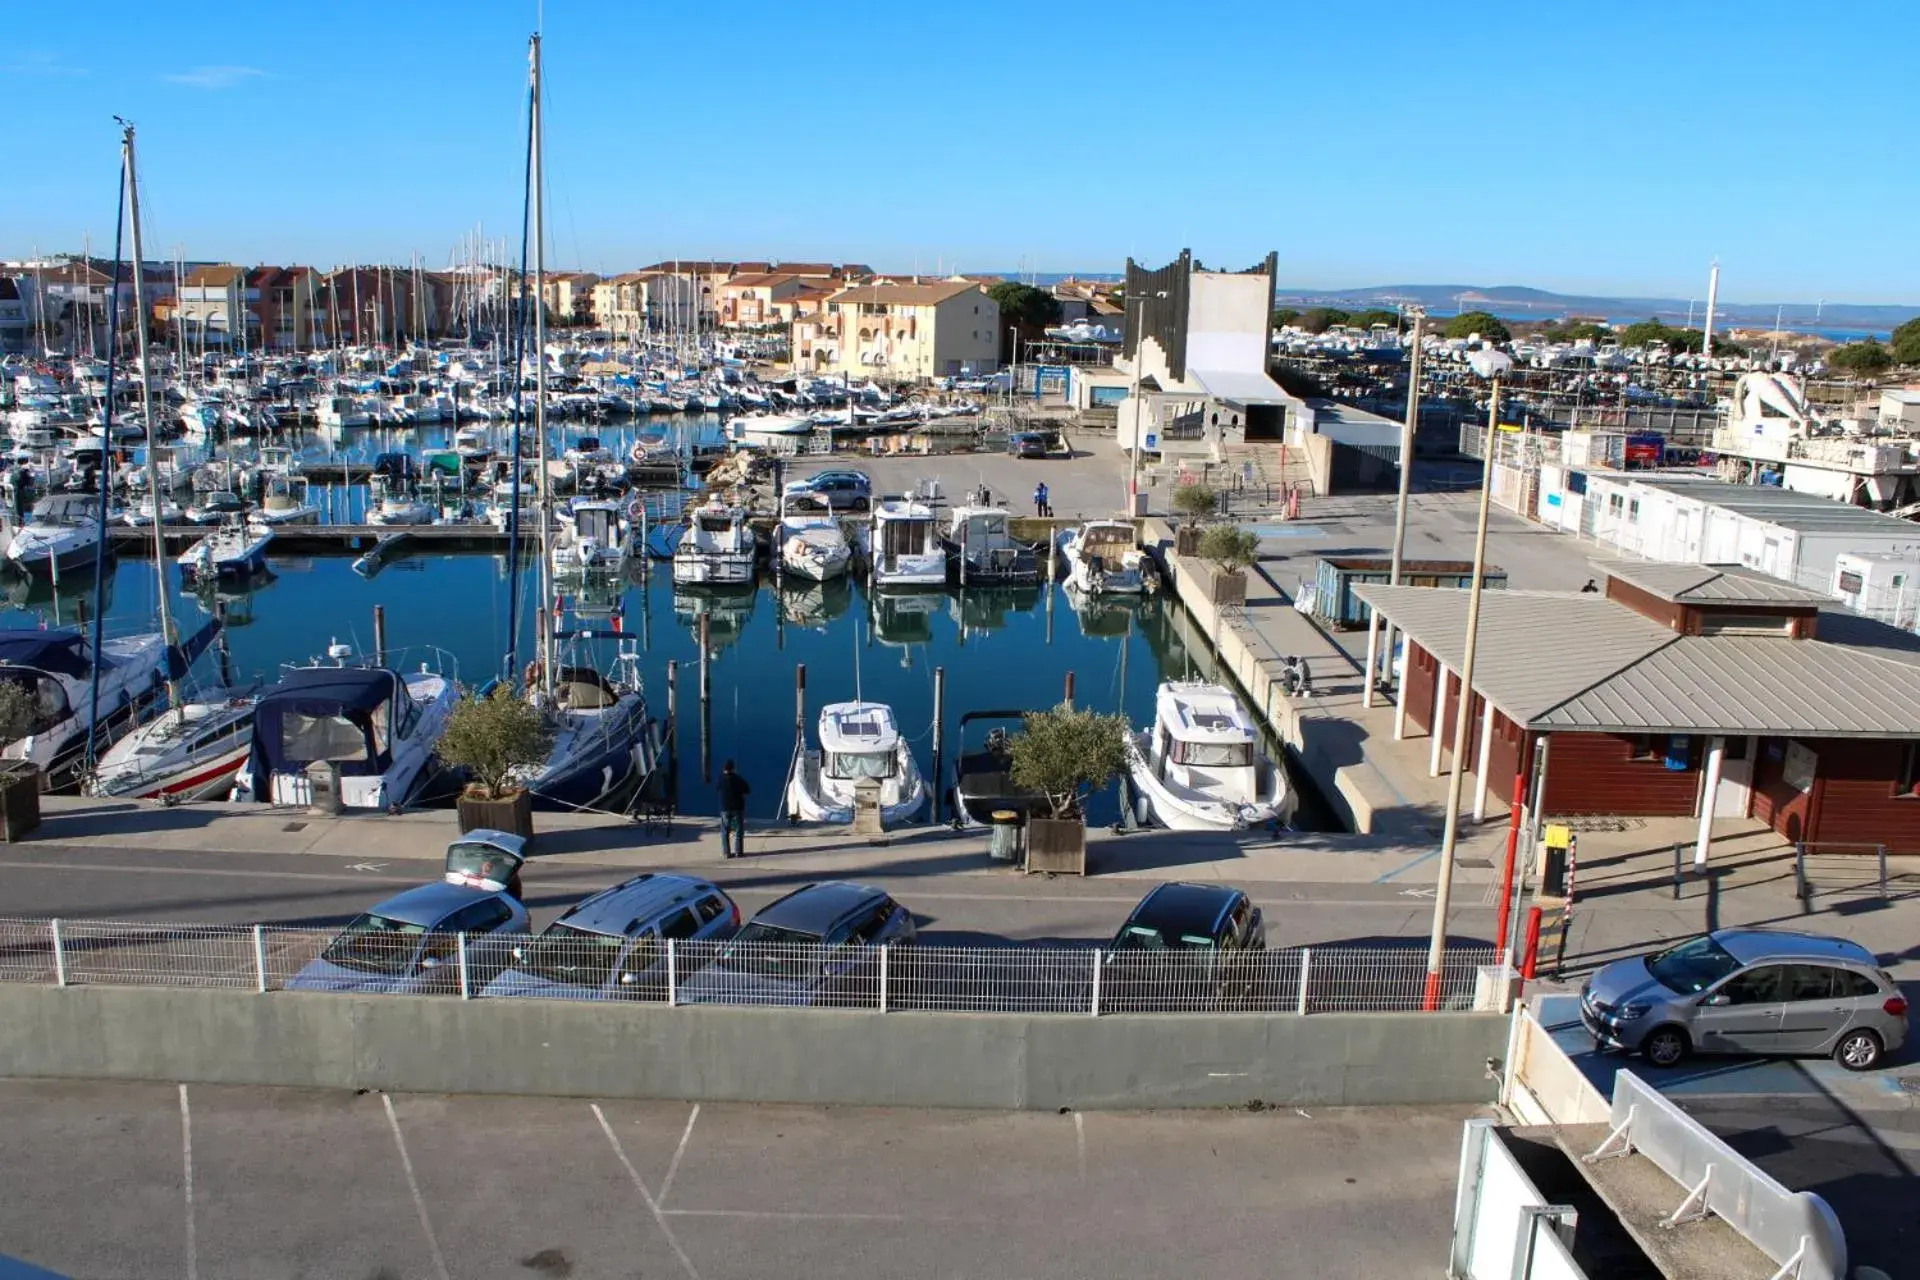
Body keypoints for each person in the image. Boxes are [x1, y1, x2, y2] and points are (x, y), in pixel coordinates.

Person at [716, 759, 750, 858]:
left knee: (725, 831)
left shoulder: (720, 779)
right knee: (738, 830)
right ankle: (738, 852)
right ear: (733, 768)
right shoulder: (738, 779)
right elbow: (747, 789)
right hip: (737, 807)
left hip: (725, 808)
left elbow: (717, 788)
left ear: (724, 769)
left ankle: (727, 852)